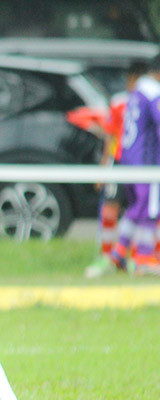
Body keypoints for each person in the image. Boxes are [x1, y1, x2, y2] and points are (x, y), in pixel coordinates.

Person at [84, 60, 150, 278]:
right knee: (109, 208)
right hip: (119, 161)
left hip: (141, 164)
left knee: (141, 209)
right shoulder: (119, 102)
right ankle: (107, 256)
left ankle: (133, 256)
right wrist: (104, 169)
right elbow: (110, 135)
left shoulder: (150, 100)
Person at [105, 54, 160, 275]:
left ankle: (119, 252)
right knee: (149, 208)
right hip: (146, 161)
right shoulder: (153, 92)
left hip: (128, 159)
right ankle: (144, 257)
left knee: (136, 208)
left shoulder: (136, 92)